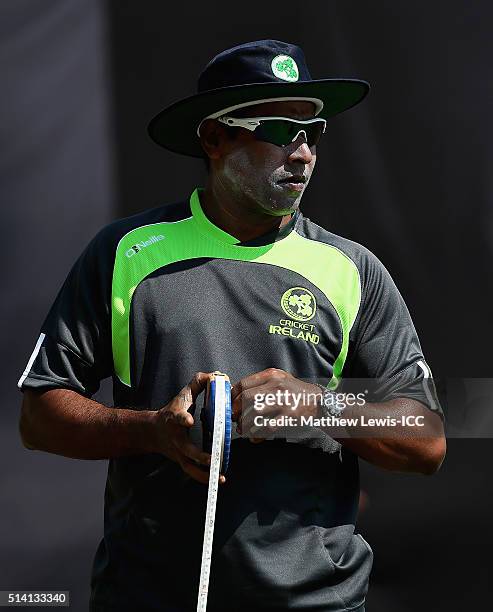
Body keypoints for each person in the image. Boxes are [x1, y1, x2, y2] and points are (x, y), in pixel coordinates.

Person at [18, 39, 446, 612]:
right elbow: (39, 415)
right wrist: (152, 430)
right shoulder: (126, 252)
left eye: (312, 132)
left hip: (315, 603)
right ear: (214, 138)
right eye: (276, 130)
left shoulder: (352, 270)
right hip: (143, 595)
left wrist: (317, 407)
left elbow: (427, 439)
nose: (301, 153)